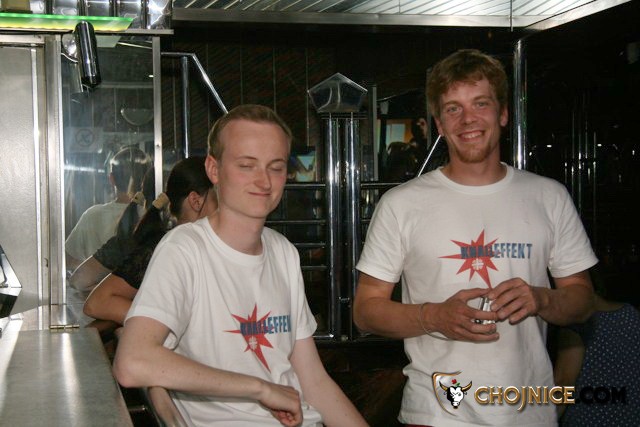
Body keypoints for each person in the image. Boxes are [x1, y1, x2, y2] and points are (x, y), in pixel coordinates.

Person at [353, 49, 597, 427]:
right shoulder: (401, 204)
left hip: (528, 411)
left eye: (480, 103)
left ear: (503, 114)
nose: (468, 119)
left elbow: (582, 301)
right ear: (439, 123)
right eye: (453, 108)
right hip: (436, 413)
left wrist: (542, 298)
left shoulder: (549, 197)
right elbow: (365, 311)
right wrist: (434, 316)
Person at [113, 104, 367, 427]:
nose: (264, 181)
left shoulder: (283, 252)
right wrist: (259, 389)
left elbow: (313, 380)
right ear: (214, 169)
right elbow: (132, 362)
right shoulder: (185, 249)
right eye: (247, 166)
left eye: (276, 167)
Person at [83, 156, 217, 325]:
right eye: (219, 200)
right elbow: (97, 303)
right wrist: (173, 326)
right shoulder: (167, 248)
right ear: (195, 201)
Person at [554, 295, 640, 426]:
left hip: (590, 419)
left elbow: (564, 381)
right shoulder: (632, 315)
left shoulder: (575, 324)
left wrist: (543, 418)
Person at [69, 167, 156, 292]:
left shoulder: (91, 215)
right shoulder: (152, 222)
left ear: (111, 178)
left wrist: (105, 288)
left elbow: (72, 267)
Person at [65, 146, 151, 271]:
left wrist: (95, 271)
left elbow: (67, 260)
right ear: (147, 180)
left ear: (111, 179)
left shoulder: (91, 216)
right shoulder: (152, 218)